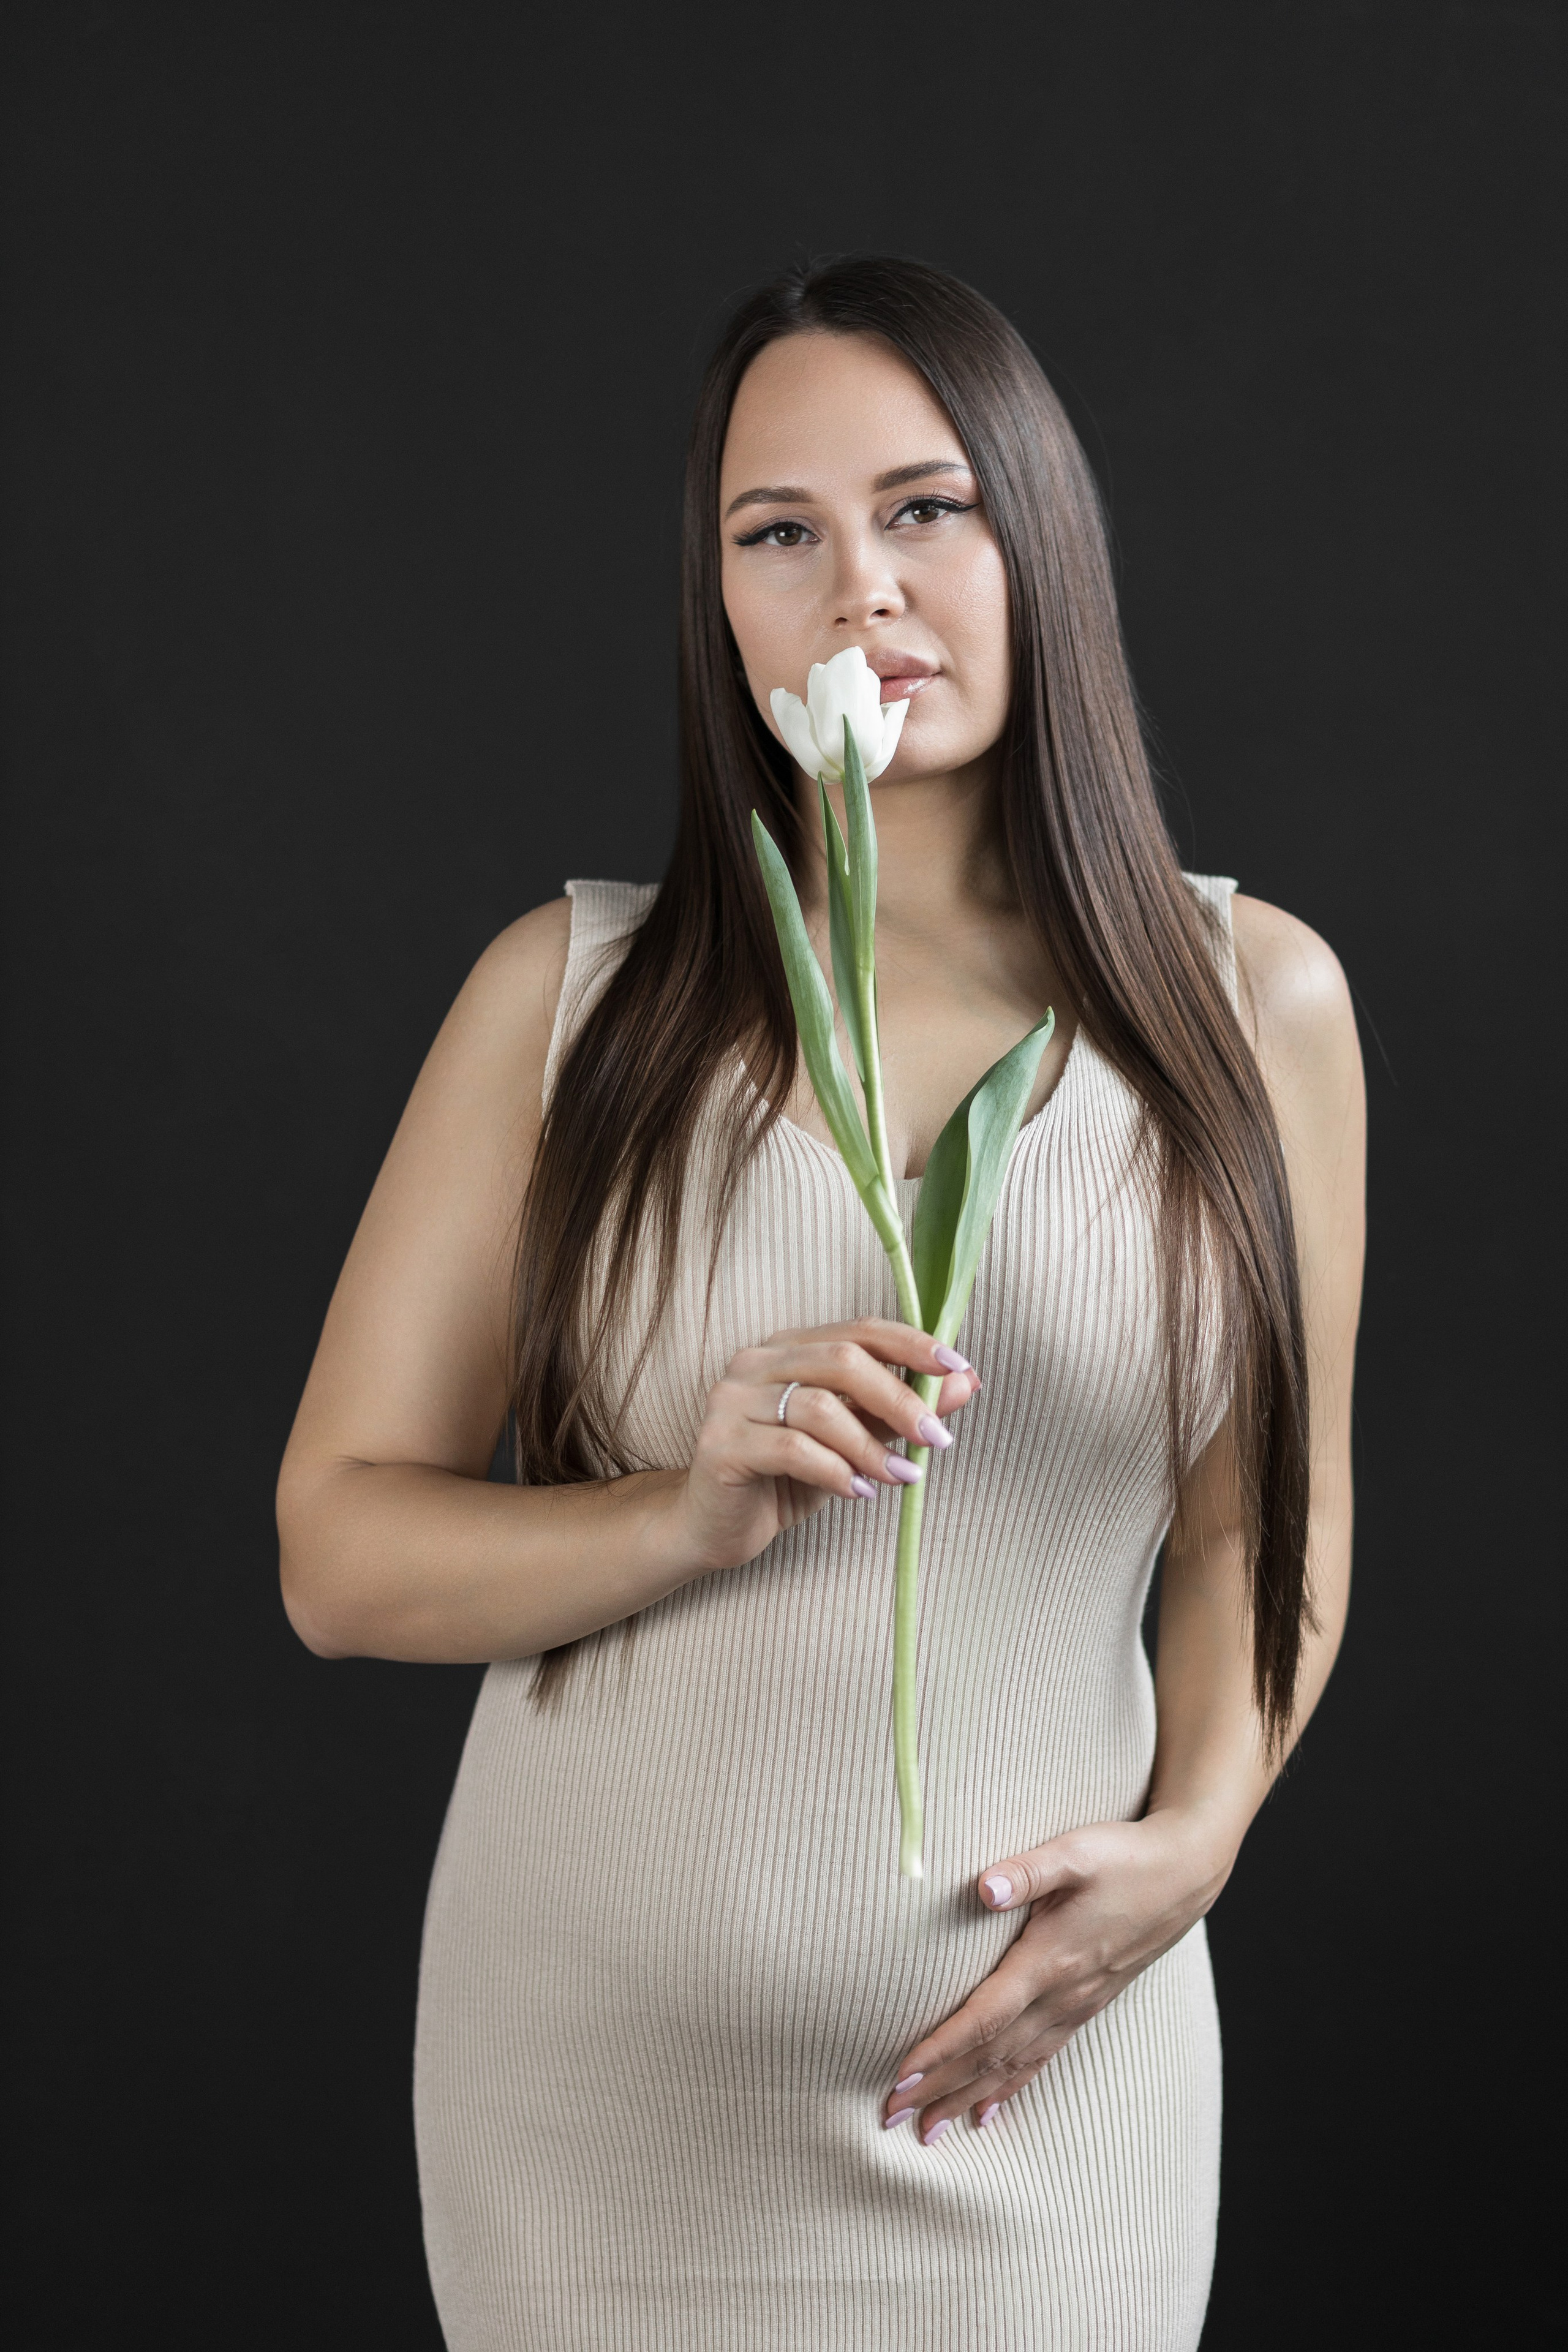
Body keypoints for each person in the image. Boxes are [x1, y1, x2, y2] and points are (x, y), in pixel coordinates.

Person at [277, 256, 1365, 2351]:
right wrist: (671, 1511)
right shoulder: (569, 999)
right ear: (721, 609)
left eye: (926, 510)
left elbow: (1268, 1522)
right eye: (781, 536)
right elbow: (338, 1549)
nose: (860, 588)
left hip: (1041, 2090)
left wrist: (1200, 1842)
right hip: (596, 2105)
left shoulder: (1253, 1009)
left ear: (1040, 537)